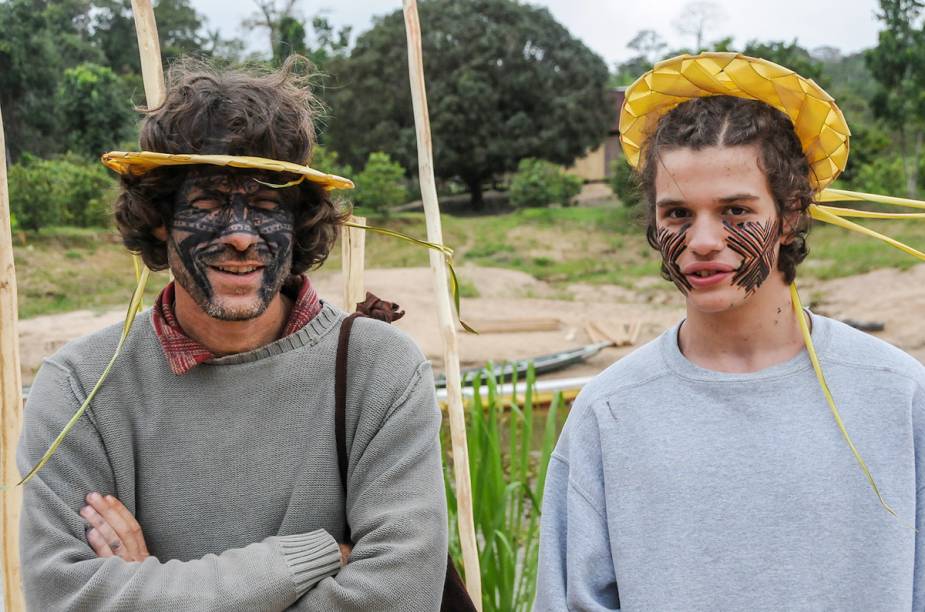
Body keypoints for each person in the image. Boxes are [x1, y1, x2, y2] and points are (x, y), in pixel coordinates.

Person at [17, 58, 448, 611]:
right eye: (208, 205)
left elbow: (400, 596)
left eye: (267, 206)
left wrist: (150, 592)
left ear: (298, 223)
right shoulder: (81, 388)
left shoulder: (380, 370)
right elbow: (65, 598)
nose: (241, 236)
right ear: (159, 219)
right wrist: (309, 558)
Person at [535, 53, 924, 610]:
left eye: (736, 211)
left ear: (790, 213)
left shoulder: (899, 394)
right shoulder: (610, 412)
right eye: (677, 215)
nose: (703, 240)